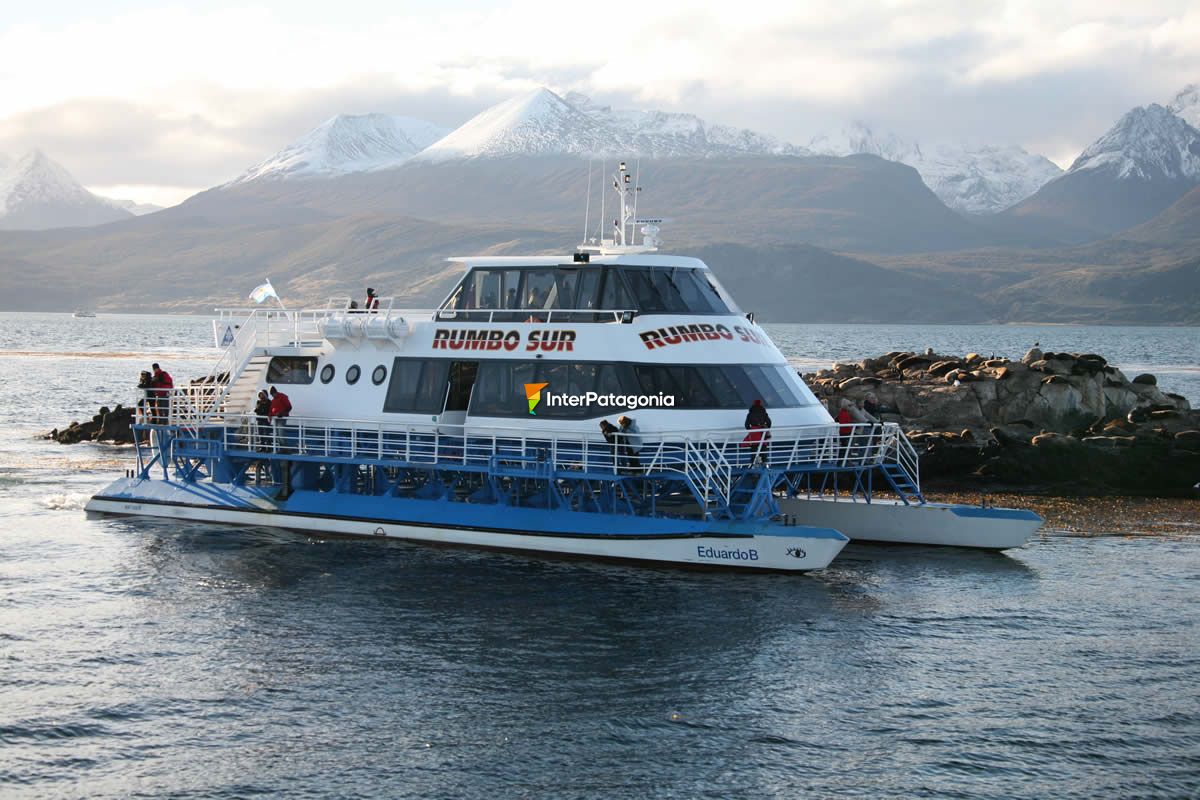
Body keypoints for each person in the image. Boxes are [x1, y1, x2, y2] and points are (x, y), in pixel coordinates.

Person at [742, 399, 772, 464]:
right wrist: (765, 427)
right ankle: (764, 462)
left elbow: (746, 425)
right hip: (762, 431)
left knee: (754, 448)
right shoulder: (764, 413)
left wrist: (751, 429)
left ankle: (754, 463)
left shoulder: (750, 413)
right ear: (760, 404)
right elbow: (769, 422)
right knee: (763, 447)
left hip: (754, 432)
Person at [269, 386, 292, 452]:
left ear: (275, 392)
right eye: (272, 394)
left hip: (282, 418)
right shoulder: (273, 400)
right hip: (276, 419)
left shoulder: (283, 397)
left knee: (281, 435)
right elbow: (271, 410)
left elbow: (289, 407)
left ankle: (285, 449)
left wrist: (282, 413)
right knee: (277, 435)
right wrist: (270, 416)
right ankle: (281, 449)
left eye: (273, 394)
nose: (273, 395)